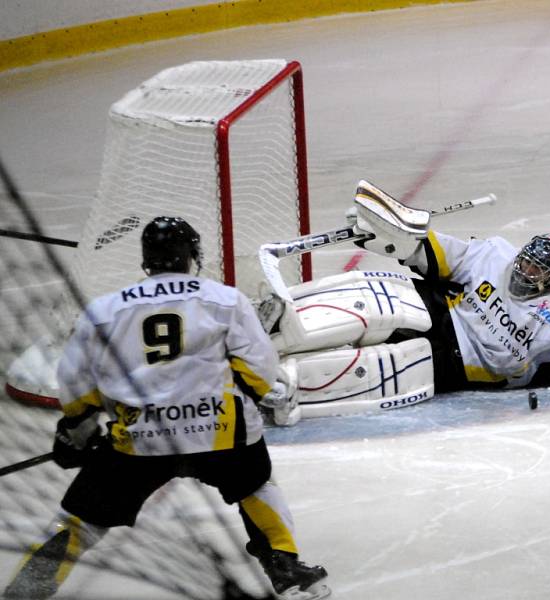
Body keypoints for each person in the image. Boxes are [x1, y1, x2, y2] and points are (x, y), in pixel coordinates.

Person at [4, 217, 329, 600]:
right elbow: (261, 368)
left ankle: (28, 588)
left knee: (83, 520)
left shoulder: (105, 310)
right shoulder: (224, 299)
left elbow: (76, 382)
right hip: (220, 432)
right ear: (190, 256)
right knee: (255, 486)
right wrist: (242, 397)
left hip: (140, 440)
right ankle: (285, 568)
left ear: (147, 260)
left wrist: (79, 420)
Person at [256, 182, 550, 425]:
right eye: (525, 262)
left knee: (390, 363)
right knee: (372, 298)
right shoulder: (497, 255)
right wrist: (396, 239)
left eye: (537, 271)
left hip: (456, 361)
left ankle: (286, 385)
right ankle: (275, 328)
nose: (524, 272)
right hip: (440, 307)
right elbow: (445, 255)